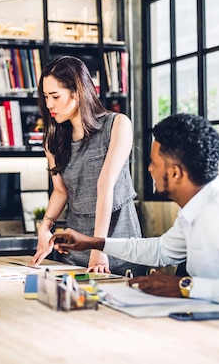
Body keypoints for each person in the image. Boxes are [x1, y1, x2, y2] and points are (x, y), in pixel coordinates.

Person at [51, 113, 219, 309]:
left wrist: (185, 286)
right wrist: (93, 242)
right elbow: (160, 251)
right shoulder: (195, 210)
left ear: (176, 173)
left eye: (154, 163)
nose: (149, 170)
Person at [29, 56, 145, 276]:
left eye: (55, 96)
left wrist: (99, 247)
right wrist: (45, 227)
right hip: (75, 250)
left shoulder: (117, 125)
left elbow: (105, 185)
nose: (49, 104)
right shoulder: (53, 140)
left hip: (118, 243)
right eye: (45, 96)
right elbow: (61, 191)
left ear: (78, 91)